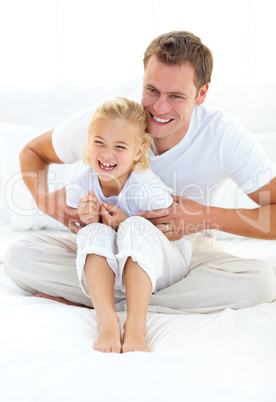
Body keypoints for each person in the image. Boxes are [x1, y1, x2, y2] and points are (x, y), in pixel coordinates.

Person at [4, 31, 276, 321]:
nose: (159, 108)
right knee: (19, 257)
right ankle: (125, 297)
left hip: (179, 255)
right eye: (152, 90)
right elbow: (33, 152)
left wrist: (203, 216)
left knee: (260, 280)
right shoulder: (106, 122)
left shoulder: (224, 136)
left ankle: (103, 303)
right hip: (104, 246)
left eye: (176, 96)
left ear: (201, 94)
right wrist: (46, 201)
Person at [65, 96, 192, 352]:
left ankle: (135, 324)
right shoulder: (80, 185)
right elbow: (83, 239)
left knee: (134, 227)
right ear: (89, 142)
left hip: (162, 263)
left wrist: (124, 222)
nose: (107, 153)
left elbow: (170, 235)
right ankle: (107, 319)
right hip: (114, 264)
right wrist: (87, 221)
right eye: (99, 142)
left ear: (138, 152)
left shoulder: (148, 189)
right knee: (91, 231)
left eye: (120, 146)